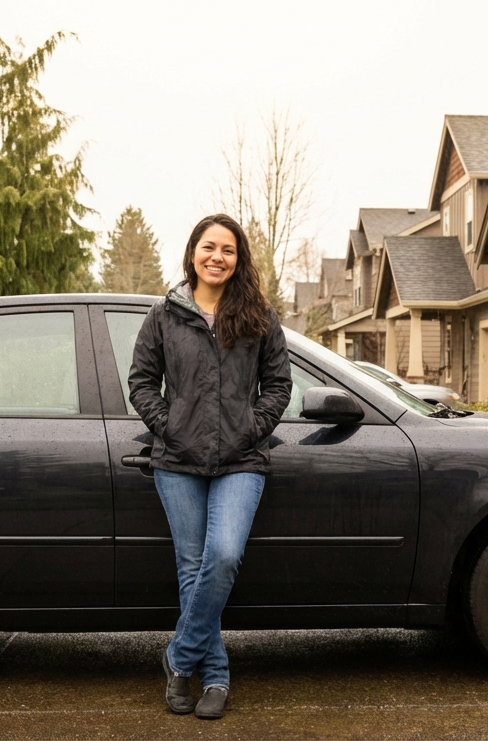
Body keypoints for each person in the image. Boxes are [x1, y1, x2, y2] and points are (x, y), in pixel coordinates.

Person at [127, 213, 292, 720]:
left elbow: (278, 386)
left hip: (241, 460)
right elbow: (140, 382)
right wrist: (171, 425)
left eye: (228, 250)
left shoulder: (258, 315)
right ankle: (214, 676)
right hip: (177, 461)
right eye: (209, 247)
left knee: (222, 556)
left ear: (238, 259)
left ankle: (178, 658)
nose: (217, 257)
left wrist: (248, 428)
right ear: (193, 252)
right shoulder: (164, 315)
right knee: (192, 567)